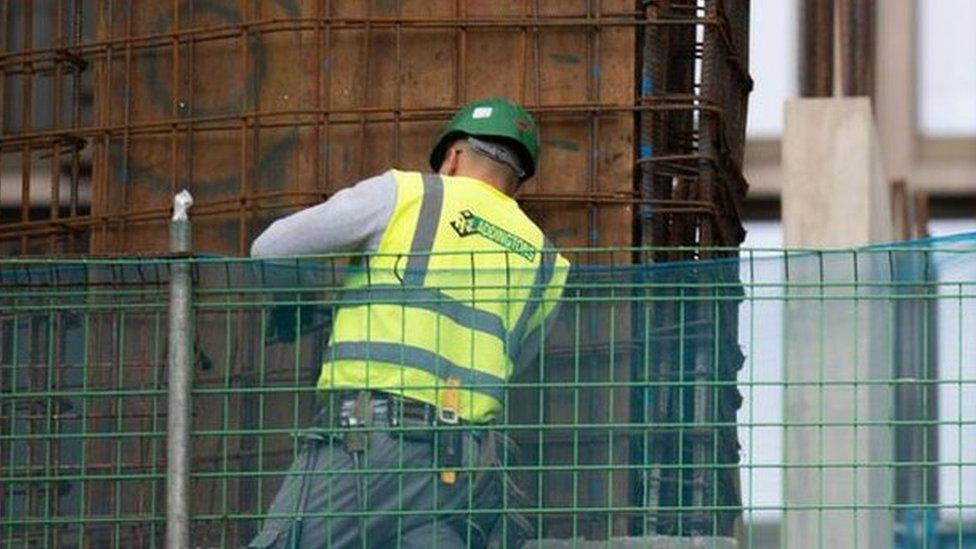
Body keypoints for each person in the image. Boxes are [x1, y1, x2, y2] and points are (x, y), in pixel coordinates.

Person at [248, 98, 569, 548]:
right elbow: (514, 356)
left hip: (366, 446)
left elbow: (272, 249)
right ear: (516, 180)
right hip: (459, 470)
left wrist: (297, 304)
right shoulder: (547, 262)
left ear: (453, 157)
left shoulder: (407, 194)